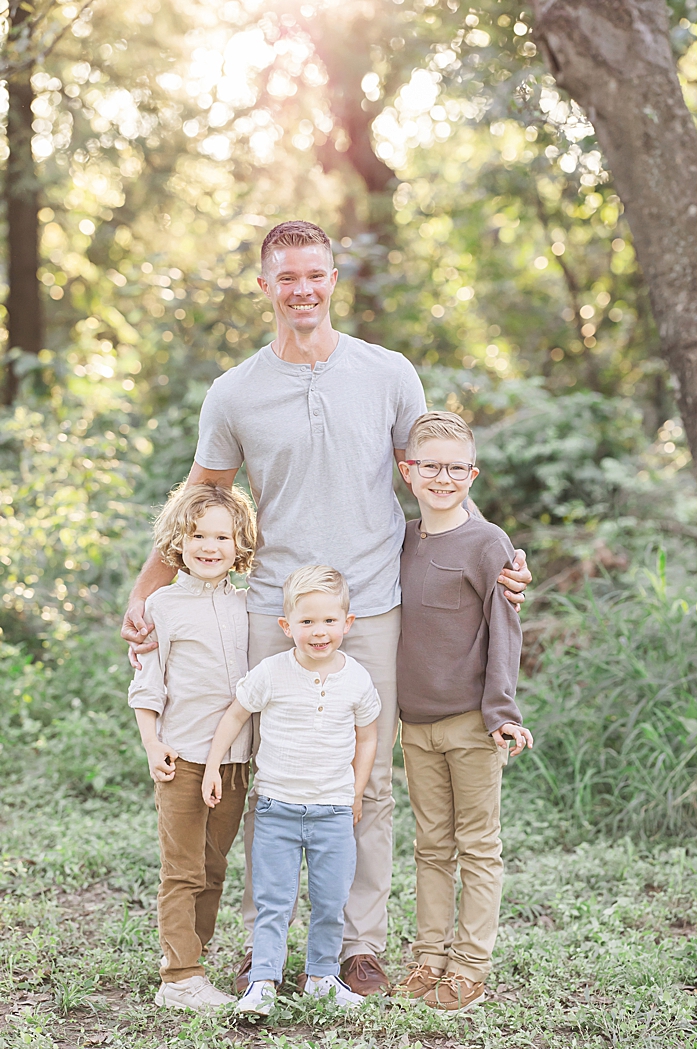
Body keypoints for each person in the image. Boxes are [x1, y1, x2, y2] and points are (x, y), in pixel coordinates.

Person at [121, 219, 531, 995]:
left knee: (364, 780)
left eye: (315, 275)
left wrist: (494, 554)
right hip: (272, 608)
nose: (302, 289)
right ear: (264, 286)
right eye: (286, 277)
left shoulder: (388, 373)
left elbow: (440, 475)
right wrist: (147, 588)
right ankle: (262, 944)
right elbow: (201, 491)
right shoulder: (235, 390)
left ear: (334, 279)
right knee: (265, 775)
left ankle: (356, 945)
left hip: (375, 603)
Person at [387, 411, 533, 1011]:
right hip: (413, 724)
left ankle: (470, 964)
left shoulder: (487, 542)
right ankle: (428, 956)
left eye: (455, 468)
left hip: (472, 722)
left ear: (471, 474)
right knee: (429, 846)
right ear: (408, 472)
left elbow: (506, 629)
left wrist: (501, 711)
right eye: (430, 467)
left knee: (478, 846)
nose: (442, 478)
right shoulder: (396, 536)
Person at [203, 565, 380, 1016]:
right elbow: (234, 716)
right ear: (287, 627)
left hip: (333, 812)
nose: (318, 632)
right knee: (273, 900)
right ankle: (263, 980)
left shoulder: (357, 678)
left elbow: (369, 737)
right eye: (306, 622)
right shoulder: (271, 673)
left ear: (347, 623)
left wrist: (356, 792)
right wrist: (210, 768)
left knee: (330, 900)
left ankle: (321, 976)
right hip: (277, 809)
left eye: (328, 621)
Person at [127, 481, 259, 1011]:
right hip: (181, 757)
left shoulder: (250, 605)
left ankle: (193, 960)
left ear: (240, 544)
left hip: (233, 762)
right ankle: (179, 975)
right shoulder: (163, 606)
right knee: (182, 868)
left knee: (214, 865)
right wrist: (152, 743)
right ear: (178, 542)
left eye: (223, 537)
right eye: (199, 535)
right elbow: (146, 683)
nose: (210, 546)